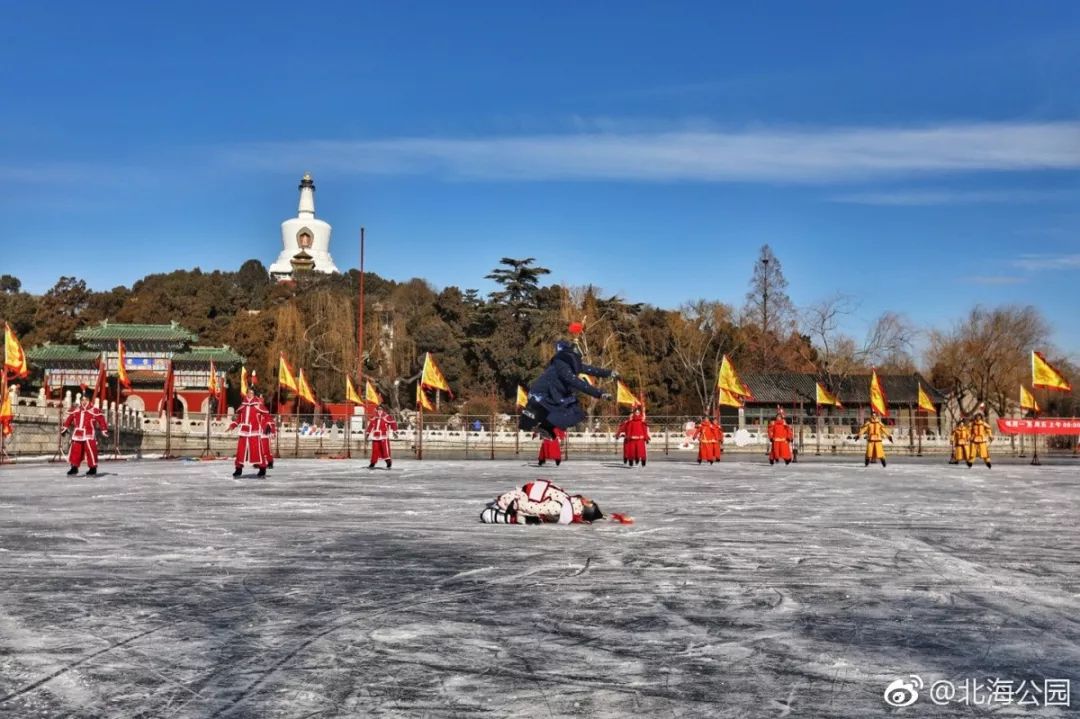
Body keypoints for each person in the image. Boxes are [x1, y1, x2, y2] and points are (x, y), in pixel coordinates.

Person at [519, 330, 617, 439]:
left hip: (552, 395)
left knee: (575, 412)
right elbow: (577, 383)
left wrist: (609, 373)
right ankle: (538, 425)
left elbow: (591, 369)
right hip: (544, 395)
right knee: (570, 411)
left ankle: (545, 428)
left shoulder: (571, 364)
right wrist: (599, 393)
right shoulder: (562, 366)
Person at [480, 479, 605, 524]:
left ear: (587, 506)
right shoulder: (569, 502)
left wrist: (518, 504)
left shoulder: (562, 507)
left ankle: (506, 516)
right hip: (522, 496)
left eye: (590, 502)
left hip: (519, 500)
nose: (588, 499)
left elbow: (538, 508)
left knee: (490, 513)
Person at [61, 395, 108, 476]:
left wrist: (104, 430)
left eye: (85, 399)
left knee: (91, 451)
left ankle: (93, 468)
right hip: (78, 433)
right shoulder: (77, 410)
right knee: (75, 451)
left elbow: (101, 420)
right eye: (82, 400)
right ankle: (74, 468)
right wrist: (65, 427)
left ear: (89, 400)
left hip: (89, 433)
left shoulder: (94, 410)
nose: (84, 401)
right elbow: (70, 418)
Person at [228, 388, 270, 477]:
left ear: (254, 394)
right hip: (244, 431)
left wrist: (267, 425)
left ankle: (262, 469)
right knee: (240, 452)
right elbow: (239, 418)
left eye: (252, 393)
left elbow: (266, 415)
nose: (250, 394)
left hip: (254, 431)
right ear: (246, 393)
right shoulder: (243, 405)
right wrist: (232, 426)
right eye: (248, 392)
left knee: (257, 451)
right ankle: (238, 469)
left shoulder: (257, 404)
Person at [366, 404, 398, 469]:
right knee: (375, 450)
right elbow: (370, 426)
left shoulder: (386, 416)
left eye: (381, 409)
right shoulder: (374, 417)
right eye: (378, 409)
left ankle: (388, 462)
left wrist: (395, 431)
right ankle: (373, 463)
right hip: (375, 436)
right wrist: (367, 433)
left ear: (383, 410)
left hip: (383, 436)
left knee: (385, 449)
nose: (379, 410)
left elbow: (393, 423)